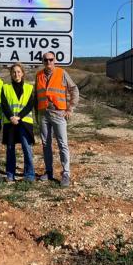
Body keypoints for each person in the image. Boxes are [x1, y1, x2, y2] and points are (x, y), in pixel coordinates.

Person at [35, 52, 79, 187]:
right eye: (46, 60)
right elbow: (35, 95)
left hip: (58, 113)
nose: (48, 62)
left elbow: (74, 89)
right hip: (43, 114)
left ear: (55, 60)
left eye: (51, 59)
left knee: (62, 144)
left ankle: (66, 173)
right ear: (43, 61)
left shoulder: (62, 73)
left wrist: (70, 108)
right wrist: (36, 114)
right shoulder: (39, 75)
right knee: (46, 144)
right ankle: (48, 171)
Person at [1, 63, 36, 183]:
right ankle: (10, 174)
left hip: (24, 122)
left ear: (22, 73)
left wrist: (19, 117)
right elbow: (4, 104)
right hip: (10, 122)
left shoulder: (29, 87)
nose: (16, 74)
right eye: (14, 72)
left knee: (27, 148)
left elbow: (30, 105)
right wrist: (11, 117)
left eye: (18, 72)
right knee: (10, 149)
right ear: (11, 74)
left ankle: (29, 175)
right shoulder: (5, 88)